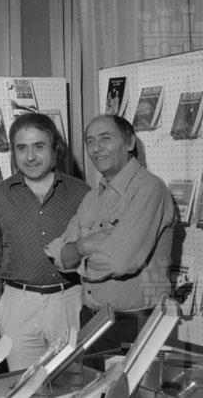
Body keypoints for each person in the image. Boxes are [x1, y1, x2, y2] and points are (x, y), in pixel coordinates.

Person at [45, 114, 174, 355]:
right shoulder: (91, 197)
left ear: (130, 143)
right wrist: (84, 247)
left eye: (105, 138)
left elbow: (120, 262)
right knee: (92, 380)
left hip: (134, 323)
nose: (96, 148)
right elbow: (58, 255)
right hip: (92, 320)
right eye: (90, 141)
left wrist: (76, 255)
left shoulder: (149, 189)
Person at [0, 113, 90, 371]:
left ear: (55, 148)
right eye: (22, 148)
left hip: (68, 300)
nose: (30, 157)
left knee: (72, 380)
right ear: (13, 153)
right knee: (23, 383)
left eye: (38, 146)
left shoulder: (81, 192)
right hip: (17, 304)